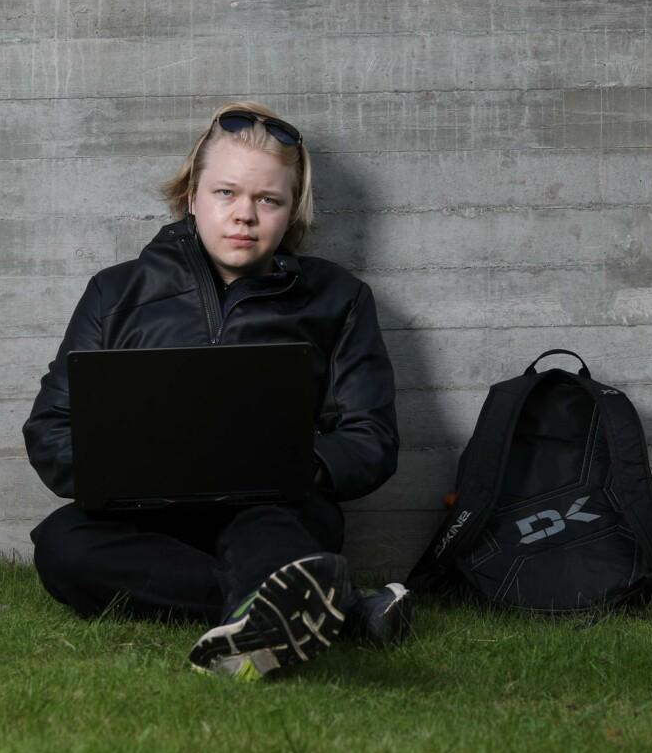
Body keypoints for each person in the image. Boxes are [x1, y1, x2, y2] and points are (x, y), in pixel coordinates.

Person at [22, 102, 410, 680]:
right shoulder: (115, 292)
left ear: (291, 212)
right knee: (62, 546)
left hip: (274, 513)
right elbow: (51, 427)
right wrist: (122, 474)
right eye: (226, 193)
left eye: (268, 200)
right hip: (151, 521)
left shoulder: (340, 299)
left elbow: (372, 438)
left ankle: (275, 609)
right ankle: (337, 610)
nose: (244, 215)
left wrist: (293, 467)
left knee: (271, 530)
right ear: (192, 194)